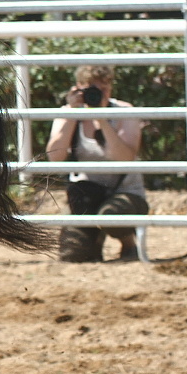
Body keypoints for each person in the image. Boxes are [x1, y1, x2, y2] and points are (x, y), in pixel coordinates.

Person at [45, 65, 147, 262]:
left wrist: (101, 119)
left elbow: (124, 158)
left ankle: (129, 244)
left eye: (104, 87)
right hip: (86, 195)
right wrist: (72, 115)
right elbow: (54, 157)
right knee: (73, 255)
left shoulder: (124, 112)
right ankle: (94, 240)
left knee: (111, 215)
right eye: (92, 88)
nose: (98, 93)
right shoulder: (68, 113)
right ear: (78, 88)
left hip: (126, 192)